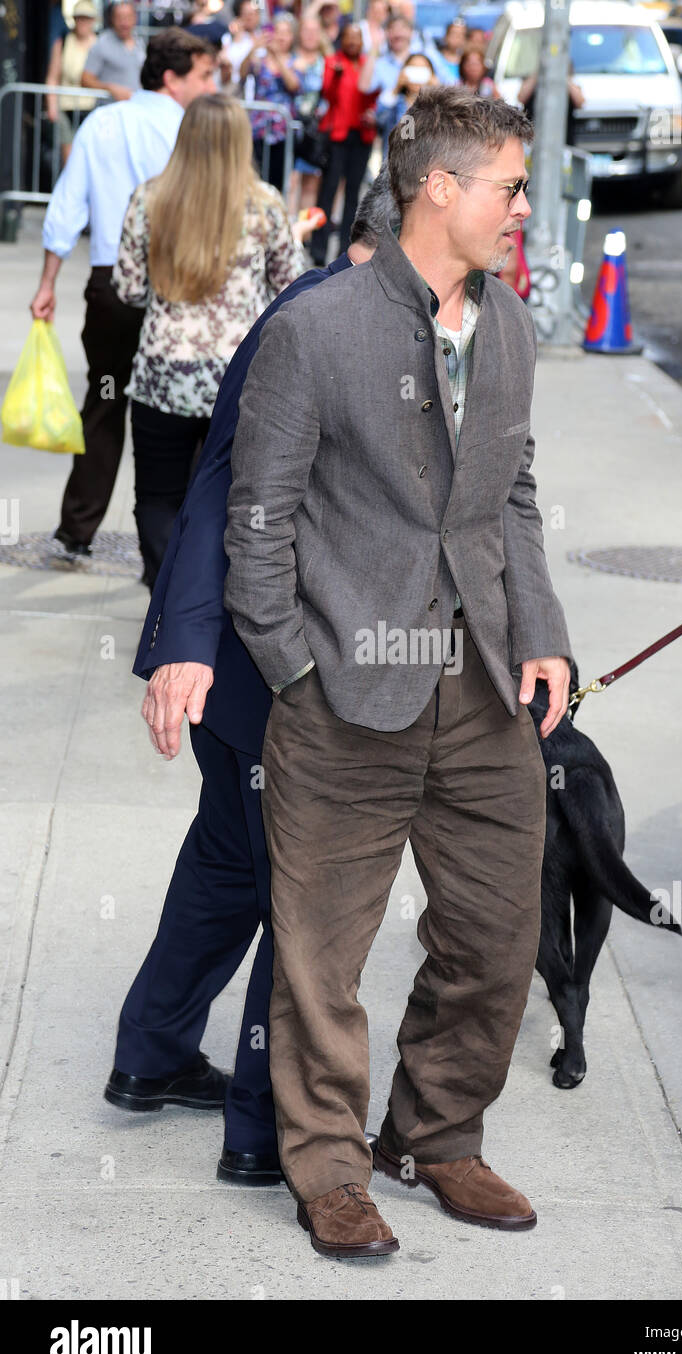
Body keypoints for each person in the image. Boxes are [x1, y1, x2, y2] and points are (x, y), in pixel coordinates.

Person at [223, 86, 572, 1259]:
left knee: (496, 931)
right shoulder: (315, 328)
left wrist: (544, 632)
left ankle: (436, 1133)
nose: (525, 206)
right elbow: (259, 515)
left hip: (479, 689)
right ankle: (325, 1168)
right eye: (511, 186)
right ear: (441, 189)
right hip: (342, 696)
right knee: (322, 953)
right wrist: (291, 668)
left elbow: (511, 498)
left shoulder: (511, 326)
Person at [113, 172, 398, 1183]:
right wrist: (185, 639)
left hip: (244, 676)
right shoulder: (319, 325)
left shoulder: (330, 310)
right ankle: (263, 1127)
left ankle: (149, 1058)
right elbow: (227, 485)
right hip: (270, 673)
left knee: (229, 864)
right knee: (304, 893)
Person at [30, 28, 216, 562]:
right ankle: (170, 545)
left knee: (106, 402)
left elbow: (67, 206)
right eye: (203, 75)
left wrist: (47, 283)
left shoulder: (104, 123)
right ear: (172, 77)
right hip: (175, 290)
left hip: (112, 288)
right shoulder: (189, 130)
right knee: (177, 417)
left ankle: (76, 530)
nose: (211, 84)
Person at [111, 92, 307, 589]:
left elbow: (128, 287)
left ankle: (166, 596)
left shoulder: (149, 198)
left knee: (158, 495)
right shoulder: (264, 205)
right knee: (229, 496)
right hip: (239, 374)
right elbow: (293, 287)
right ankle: (213, 600)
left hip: (163, 374)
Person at [309, 22, 376, 265]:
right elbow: (327, 94)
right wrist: (336, 76)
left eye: (356, 38)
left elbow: (374, 94)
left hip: (362, 135)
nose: (352, 42)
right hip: (337, 136)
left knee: (353, 195)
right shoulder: (333, 62)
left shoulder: (369, 64)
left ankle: (345, 251)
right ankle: (319, 247)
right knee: (328, 192)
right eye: (348, 37)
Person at [243, 13, 301, 189]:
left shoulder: (295, 62)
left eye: (286, 33)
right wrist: (254, 48)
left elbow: (293, 85)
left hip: (282, 132)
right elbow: (242, 73)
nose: (281, 37)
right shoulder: (259, 61)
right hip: (259, 130)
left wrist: (277, 58)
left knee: (278, 181)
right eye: (278, 32)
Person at [45, 1, 99, 167]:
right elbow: (52, 76)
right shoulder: (64, 42)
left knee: (90, 154)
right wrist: (51, 104)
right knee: (69, 157)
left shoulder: (99, 44)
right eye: (79, 18)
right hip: (66, 106)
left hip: (92, 108)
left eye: (87, 18)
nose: (83, 22)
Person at [289, 14, 329, 215]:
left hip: (314, 130)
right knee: (291, 180)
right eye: (307, 30)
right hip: (290, 127)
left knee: (311, 182)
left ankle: (303, 236)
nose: (311, 35)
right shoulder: (289, 58)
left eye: (315, 31)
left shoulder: (326, 62)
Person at [81, 1, 145, 101]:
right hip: (110, 111)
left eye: (128, 17)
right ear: (112, 19)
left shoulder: (140, 43)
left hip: (135, 109)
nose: (124, 22)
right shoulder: (102, 43)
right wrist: (110, 88)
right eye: (120, 18)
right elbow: (85, 79)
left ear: (135, 18)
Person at [375, 50, 436, 139]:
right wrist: (396, 88)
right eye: (413, 69)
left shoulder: (436, 106)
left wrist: (438, 91)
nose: (417, 75)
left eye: (422, 70)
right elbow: (380, 120)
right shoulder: (394, 101)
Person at [223, 0, 264, 92]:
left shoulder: (263, 37)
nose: (249, 18)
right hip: (234, 88)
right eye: (246, 14)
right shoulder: (229, 38)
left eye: (253, 14)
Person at [427, 18, 467, 86]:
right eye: (454, 33)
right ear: (446, 36)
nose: (457, 37)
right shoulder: (434, 58)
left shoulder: (466, 60)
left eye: (461, 34)